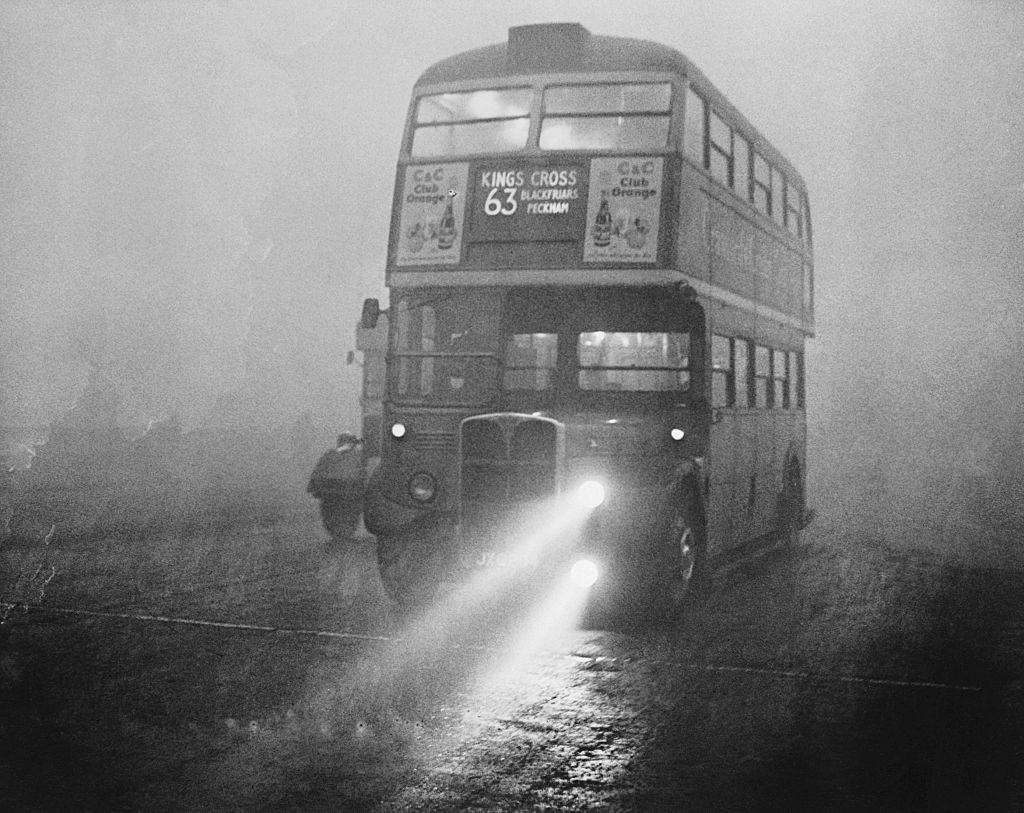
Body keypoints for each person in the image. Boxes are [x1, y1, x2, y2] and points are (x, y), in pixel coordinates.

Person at [307, 433, 365, 542]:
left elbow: (318, 472)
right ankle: (340, 533)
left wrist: (314, 486)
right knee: (343, 512)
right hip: (341, 492)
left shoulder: (331, 455)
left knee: (344, 512)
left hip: (338, 492)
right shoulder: (357, 455)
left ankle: (340, 533)